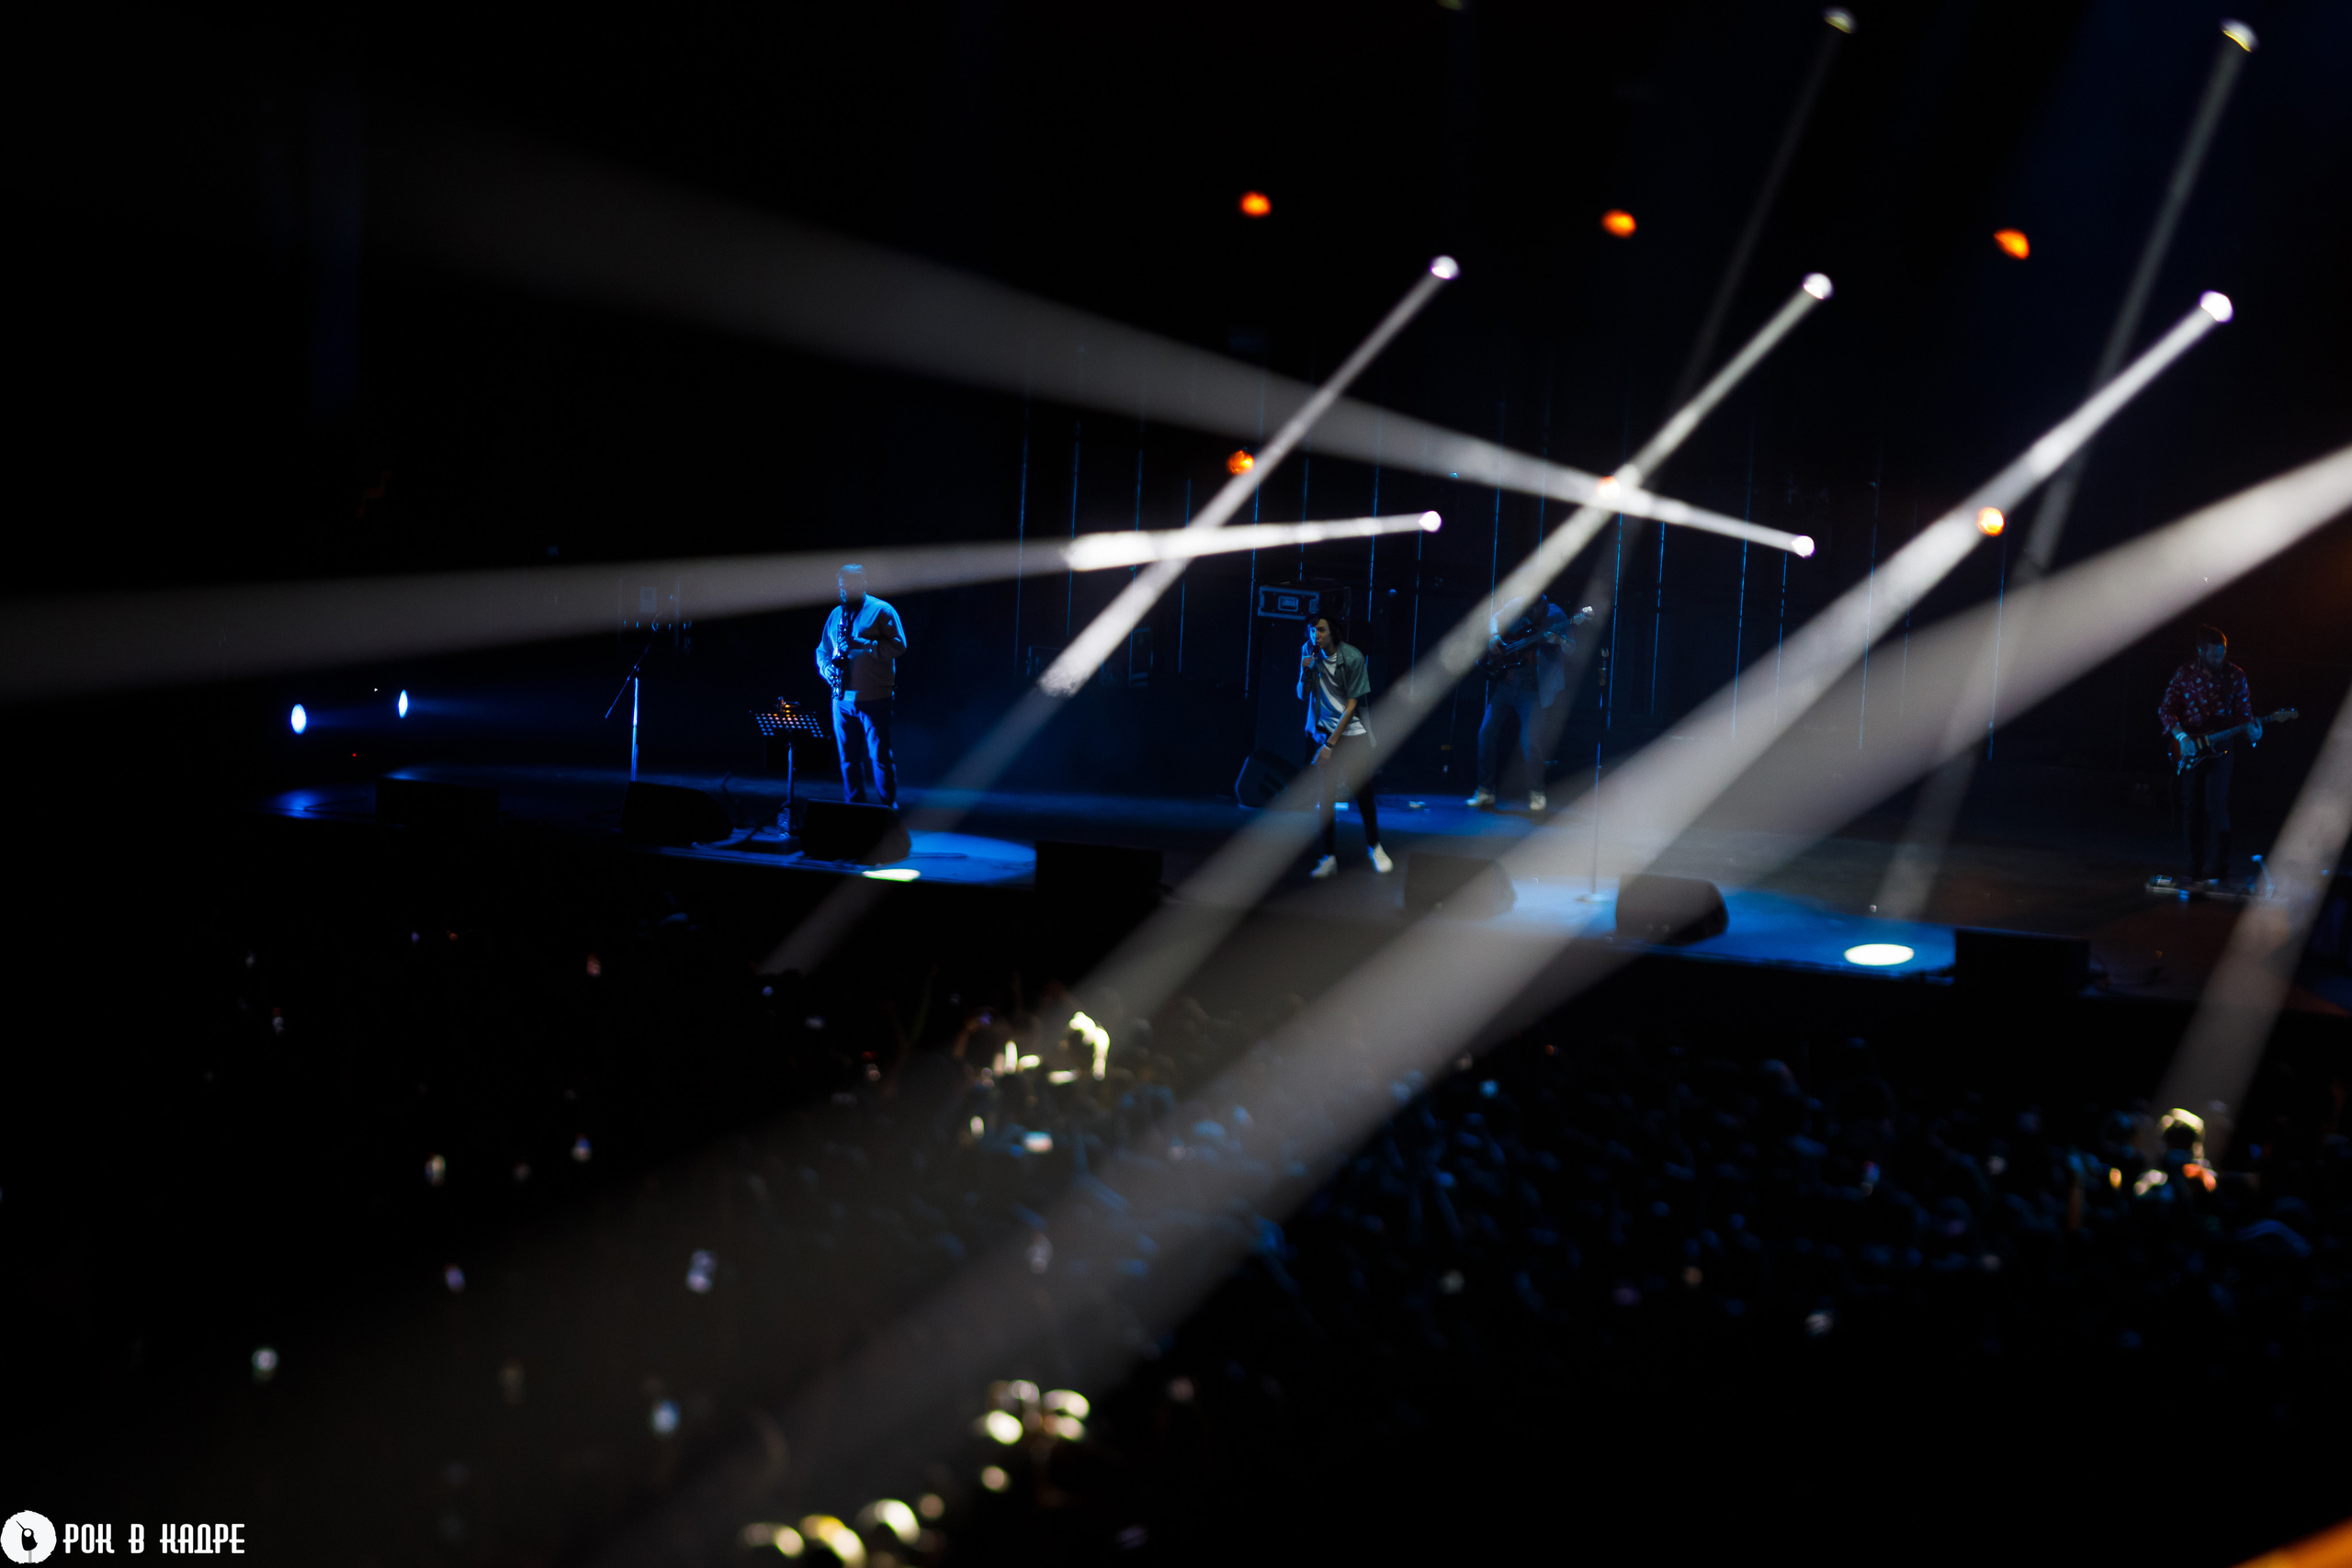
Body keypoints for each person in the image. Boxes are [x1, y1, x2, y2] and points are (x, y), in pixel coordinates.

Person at [2158, 624, 2262, 887]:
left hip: (2221, 747)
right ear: (2201, 651)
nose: (2219, 659)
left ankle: (2219, 870)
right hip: (2190, 748)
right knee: (2192, 808)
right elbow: (2166, 710)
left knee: (2216, 806)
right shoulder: (2185, 672)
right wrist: (2182, 738)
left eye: (2222, 654)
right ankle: (2193, 868)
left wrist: (2254, 733)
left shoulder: (2235, 675)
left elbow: (2245, 715)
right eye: (2214, 655)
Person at [1468, 592, 1591, 812]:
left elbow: (1572, 648)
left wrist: (1560, 640)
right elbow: (1495, 617)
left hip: (1533, 690)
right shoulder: (1518, 604)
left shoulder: (1556, 615)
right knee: (1486, 733)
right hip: (1506, 685)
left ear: (1541, 604)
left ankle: (1536, 792)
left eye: (1532, 608)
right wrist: (1495, 636)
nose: (1527, 611)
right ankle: (1485, 791)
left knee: (1530, 742)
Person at [1298, 613, 1391, 880]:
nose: (1315, 636)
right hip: (1324, 733)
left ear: (1333, 632)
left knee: (1363, 793)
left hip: (1352, 733)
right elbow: (1301, 695)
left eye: (1320, 630)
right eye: (1311, 631)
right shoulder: (1308, 651)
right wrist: (1304, 671)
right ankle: (1328, 857)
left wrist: (1331, 744)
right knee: (1325, 797)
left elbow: (1352, 706)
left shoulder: (1352, 657)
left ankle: (1375, 848)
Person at [815, 564, 908, 807]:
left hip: (875, 698)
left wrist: (864, 644)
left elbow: (899, 646)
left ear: (863, 584)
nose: (845, 593)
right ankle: (854, 811)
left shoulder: (882, 610)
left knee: (880, 758)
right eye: (842, 588)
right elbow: (822, 650)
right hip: (841, 699)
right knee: (848, 760)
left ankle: (888, 812)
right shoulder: (836, 614)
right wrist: (826, 669)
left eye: (850, 587)